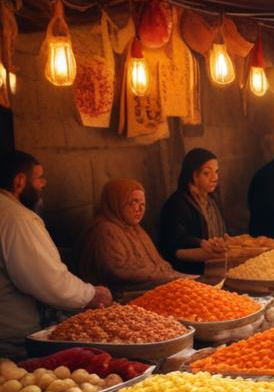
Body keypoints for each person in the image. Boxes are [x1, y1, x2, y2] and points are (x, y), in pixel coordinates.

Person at [0, 151, 111, 357]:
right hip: (11, 342)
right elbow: (47, 280)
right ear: (19, 181)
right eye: (39, 177)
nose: (44, 184)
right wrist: (90, 294)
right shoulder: (17, 218)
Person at [77, 179, 186, 296]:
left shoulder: (135, 228)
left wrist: (166, 272)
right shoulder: (105, 230)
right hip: (120, 293)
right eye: (133, 202)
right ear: (116, 202)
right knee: (180, 288)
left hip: (143, 285)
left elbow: (157, 261)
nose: (140, 209)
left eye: (143, 204)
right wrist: (159, 275)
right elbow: (117, 272)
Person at [159, 148, 230, 273]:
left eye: (216, 172)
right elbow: (174, 239)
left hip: (214, 260)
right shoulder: (177, 204)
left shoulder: (213, 199)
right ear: (194, 175)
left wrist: (223, 240)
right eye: (207, 173)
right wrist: (201, 243)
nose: (214, 178)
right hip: (188, 269)